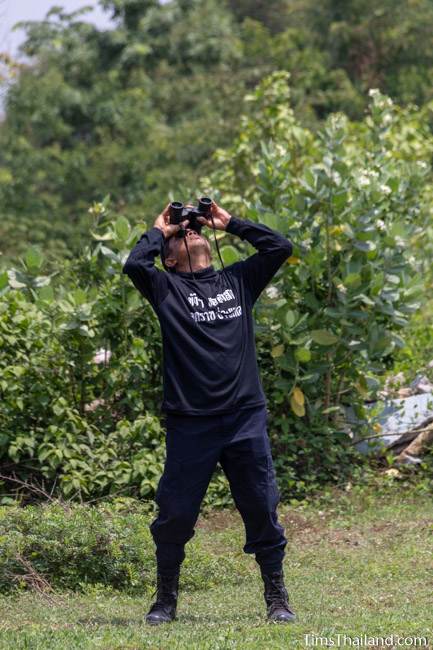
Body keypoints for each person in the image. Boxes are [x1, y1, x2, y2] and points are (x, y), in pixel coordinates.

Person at [122, 199, 296, 625]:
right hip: (191, 423)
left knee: (261, 507)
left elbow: (280, 247)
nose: (191, 232)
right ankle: (165, 600)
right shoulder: (166, 289)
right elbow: (134, 264)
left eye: (194, 230)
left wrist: (228, 222)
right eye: (183, 235)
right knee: (176, 513)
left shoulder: (239, 280)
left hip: (244, 418)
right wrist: (161, 228)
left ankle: (277, 598)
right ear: (169, 257)